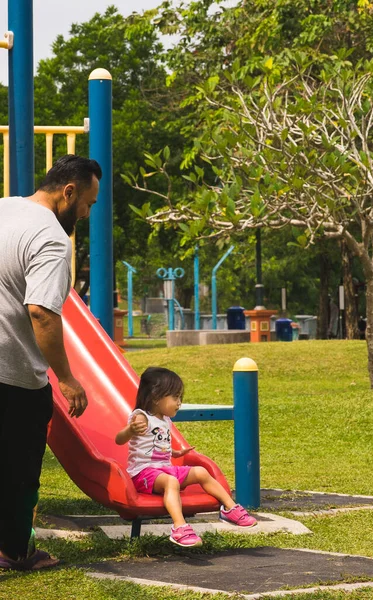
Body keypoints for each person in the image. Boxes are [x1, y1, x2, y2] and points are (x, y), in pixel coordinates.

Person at [0, 155, 102, 571]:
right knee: (19, 470)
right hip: (13, 374)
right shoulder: (52, 239)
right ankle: (15, 552)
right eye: (89, 204)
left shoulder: (4, 207)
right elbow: (41, 312)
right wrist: (67, 378)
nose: (87, 213)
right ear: (70, 192)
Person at [116, 367, 257, 547]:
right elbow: (119, 439)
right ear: (155, 396)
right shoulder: (141, 416)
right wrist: (129, 430)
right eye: (175, 397)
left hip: (163, 470)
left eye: (180, 397)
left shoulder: (165, 419)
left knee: (200, 472)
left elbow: (156, 447)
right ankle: (179, 527)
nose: (179, 402)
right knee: (171, 482)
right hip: (142, 474)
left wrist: (173, 453)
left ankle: (230, 508)